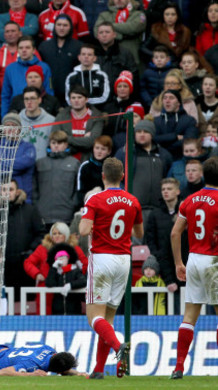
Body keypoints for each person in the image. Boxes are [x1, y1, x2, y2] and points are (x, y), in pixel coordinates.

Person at [79, 157, 144, 378]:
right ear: (123, 176)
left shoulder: (95, 199)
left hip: (102, 258)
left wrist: (89, 217)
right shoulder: (133, 200)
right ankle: (98, 370)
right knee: (108, 318)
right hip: (124, 260)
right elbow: (139, 234)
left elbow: (83, 230)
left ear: (103, 175)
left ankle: (118, 347)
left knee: (94, 317)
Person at [170, 156, 218, 379]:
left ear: (204, 176)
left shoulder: (189, 200)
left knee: (189, 317)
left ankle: (179, 367)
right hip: (214, 260)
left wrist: (179, 262)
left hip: (194, 259)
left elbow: (175, 232)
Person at [33, 130, 81, 225]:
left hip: (66, 214)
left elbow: (78, 189)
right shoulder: (40, 163)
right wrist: (37, 205)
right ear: (49, 144)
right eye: (53, 143)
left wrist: (73, 204)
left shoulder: (74, 163)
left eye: (59, 143)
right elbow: (34, 187)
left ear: (66, 144)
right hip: (43, 214)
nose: (56, 146)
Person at [1, 36, 52, 117]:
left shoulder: (44, 67)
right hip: (17, 111)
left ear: (34, 49)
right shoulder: (10, 69)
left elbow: (49, 91)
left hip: (39, 113)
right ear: (17, 50)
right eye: (21, 48)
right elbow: (5, 96)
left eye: (27, 47)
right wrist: (4, 117)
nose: (24, 50)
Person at [37, 14, 82, 105]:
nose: (62, 28)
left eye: (65, 25)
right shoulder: (44, 46)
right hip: (48, 94)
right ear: (54, 27)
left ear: (70, 27)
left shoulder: (78, 46)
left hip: (71, 95)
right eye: (59, 24)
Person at [52, 86, 104, 161]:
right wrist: (83, 140)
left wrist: (66, 138)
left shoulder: (96, 116)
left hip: (88, 160)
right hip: (65, 160)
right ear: (69, 100)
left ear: (86, 100)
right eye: (73, 98)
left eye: (79, 97)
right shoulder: (61, 116)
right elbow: (56, 139)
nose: (76, 100)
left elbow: (92, 141)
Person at [94, 0, 146, 65]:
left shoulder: (138, 14)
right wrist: (122, 35)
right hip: (108, 59)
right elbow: (97, 31)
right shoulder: (104, 15)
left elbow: (134, 28)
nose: (119, 0)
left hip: (131, 57)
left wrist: (110, 27)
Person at [45, 249, 86, 315]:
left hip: (74, 311)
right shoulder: (55, 272)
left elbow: (83, 281)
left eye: (64, 258)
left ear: (68, 259)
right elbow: (49, 283)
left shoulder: (75, 271)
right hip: (58, 311)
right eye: (59, 258)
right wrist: (53, 268)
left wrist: (71, 285)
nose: (62, 260)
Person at [76, 136, 112, 208]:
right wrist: (90, 195)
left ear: (109, 151)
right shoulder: (85, 166)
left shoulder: (112, 167)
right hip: (88, 205)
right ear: (93, 149)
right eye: (97, 148)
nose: (99, 151)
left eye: (103, 149)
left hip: (107, 205)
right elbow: (80, 192)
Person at [19, 87, 54, 160]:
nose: (29, 102)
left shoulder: (51, 121)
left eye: (32, 98)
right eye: (26, 99)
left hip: (44, 166)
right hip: (23, 166)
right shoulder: (17, 121)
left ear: (39, 100)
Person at [141, 46, 173, 110]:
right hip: (149, 106)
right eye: (156, 57)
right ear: (153, 60)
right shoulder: (147, 73)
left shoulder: (172, 72)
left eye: (162, 57)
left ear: (168, 59)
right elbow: (143, 89)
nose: (159, 60)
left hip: (167, 106)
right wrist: (149, 102)